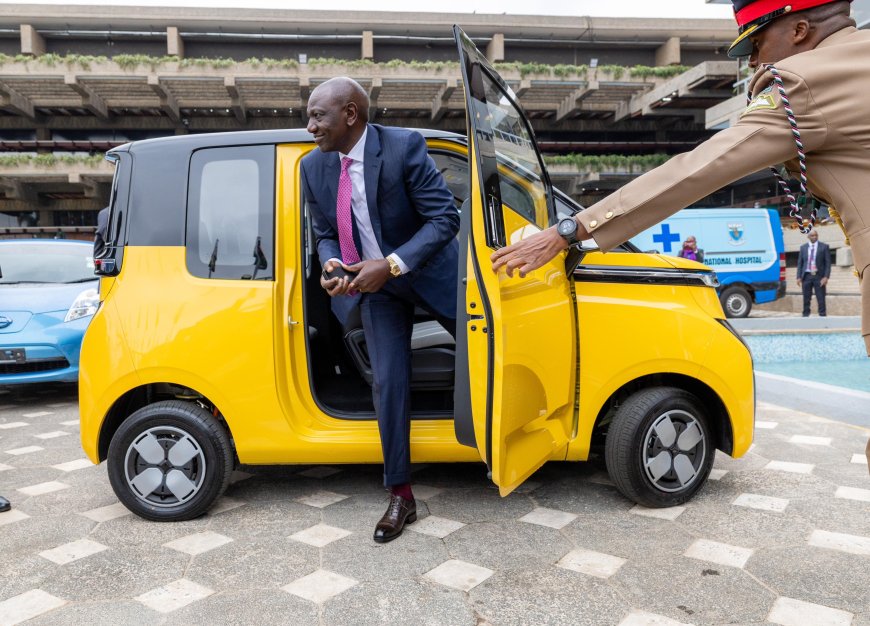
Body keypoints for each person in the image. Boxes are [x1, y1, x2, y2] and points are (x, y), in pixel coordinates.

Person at [490, 0, 870, 356]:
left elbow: (697, 169)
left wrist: (569, 230)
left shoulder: (803, 84)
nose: (754, 61)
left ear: (800, 29)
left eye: (757, 42)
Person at [300, 77, 459, 543]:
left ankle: (502, 447)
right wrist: (331, 262)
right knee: (389, 383)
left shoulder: (404, 147)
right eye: (309, 116)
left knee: (484, 357)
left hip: (430, 276)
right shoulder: (314, 167)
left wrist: (389, 266)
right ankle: (401, 494)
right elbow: (326, 230)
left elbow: (444, 219)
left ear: (350, 114)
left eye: (317, 115)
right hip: (376, 289)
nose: (310, 125)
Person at [796, 229, 831, 316]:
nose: (814, 237)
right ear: (808, 237)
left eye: (816, 235)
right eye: (812, 235)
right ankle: (805, 315)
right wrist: (798, 277)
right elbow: (800, 263)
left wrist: (826, 277)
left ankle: (822, 315)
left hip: (819, 276)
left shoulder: (824, 247)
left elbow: (828, 263)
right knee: (806, 298)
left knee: (821, 298)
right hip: (806, 276)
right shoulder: (803, 247)